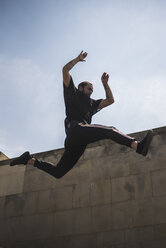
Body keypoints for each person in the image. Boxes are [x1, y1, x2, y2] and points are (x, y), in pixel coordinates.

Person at [10, 51, 153, 178]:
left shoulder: (92, 103)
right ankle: (137, 146)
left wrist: (105, 84)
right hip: (75, 129)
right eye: (89, 89)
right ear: (80, 88)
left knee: (59, 172)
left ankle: (29, 160)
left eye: (92, 90)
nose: (91, 91)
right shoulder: (72, 94)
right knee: (110, 130)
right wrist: (77, 59)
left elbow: (110, 100)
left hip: (77, 142)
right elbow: (65, 70)